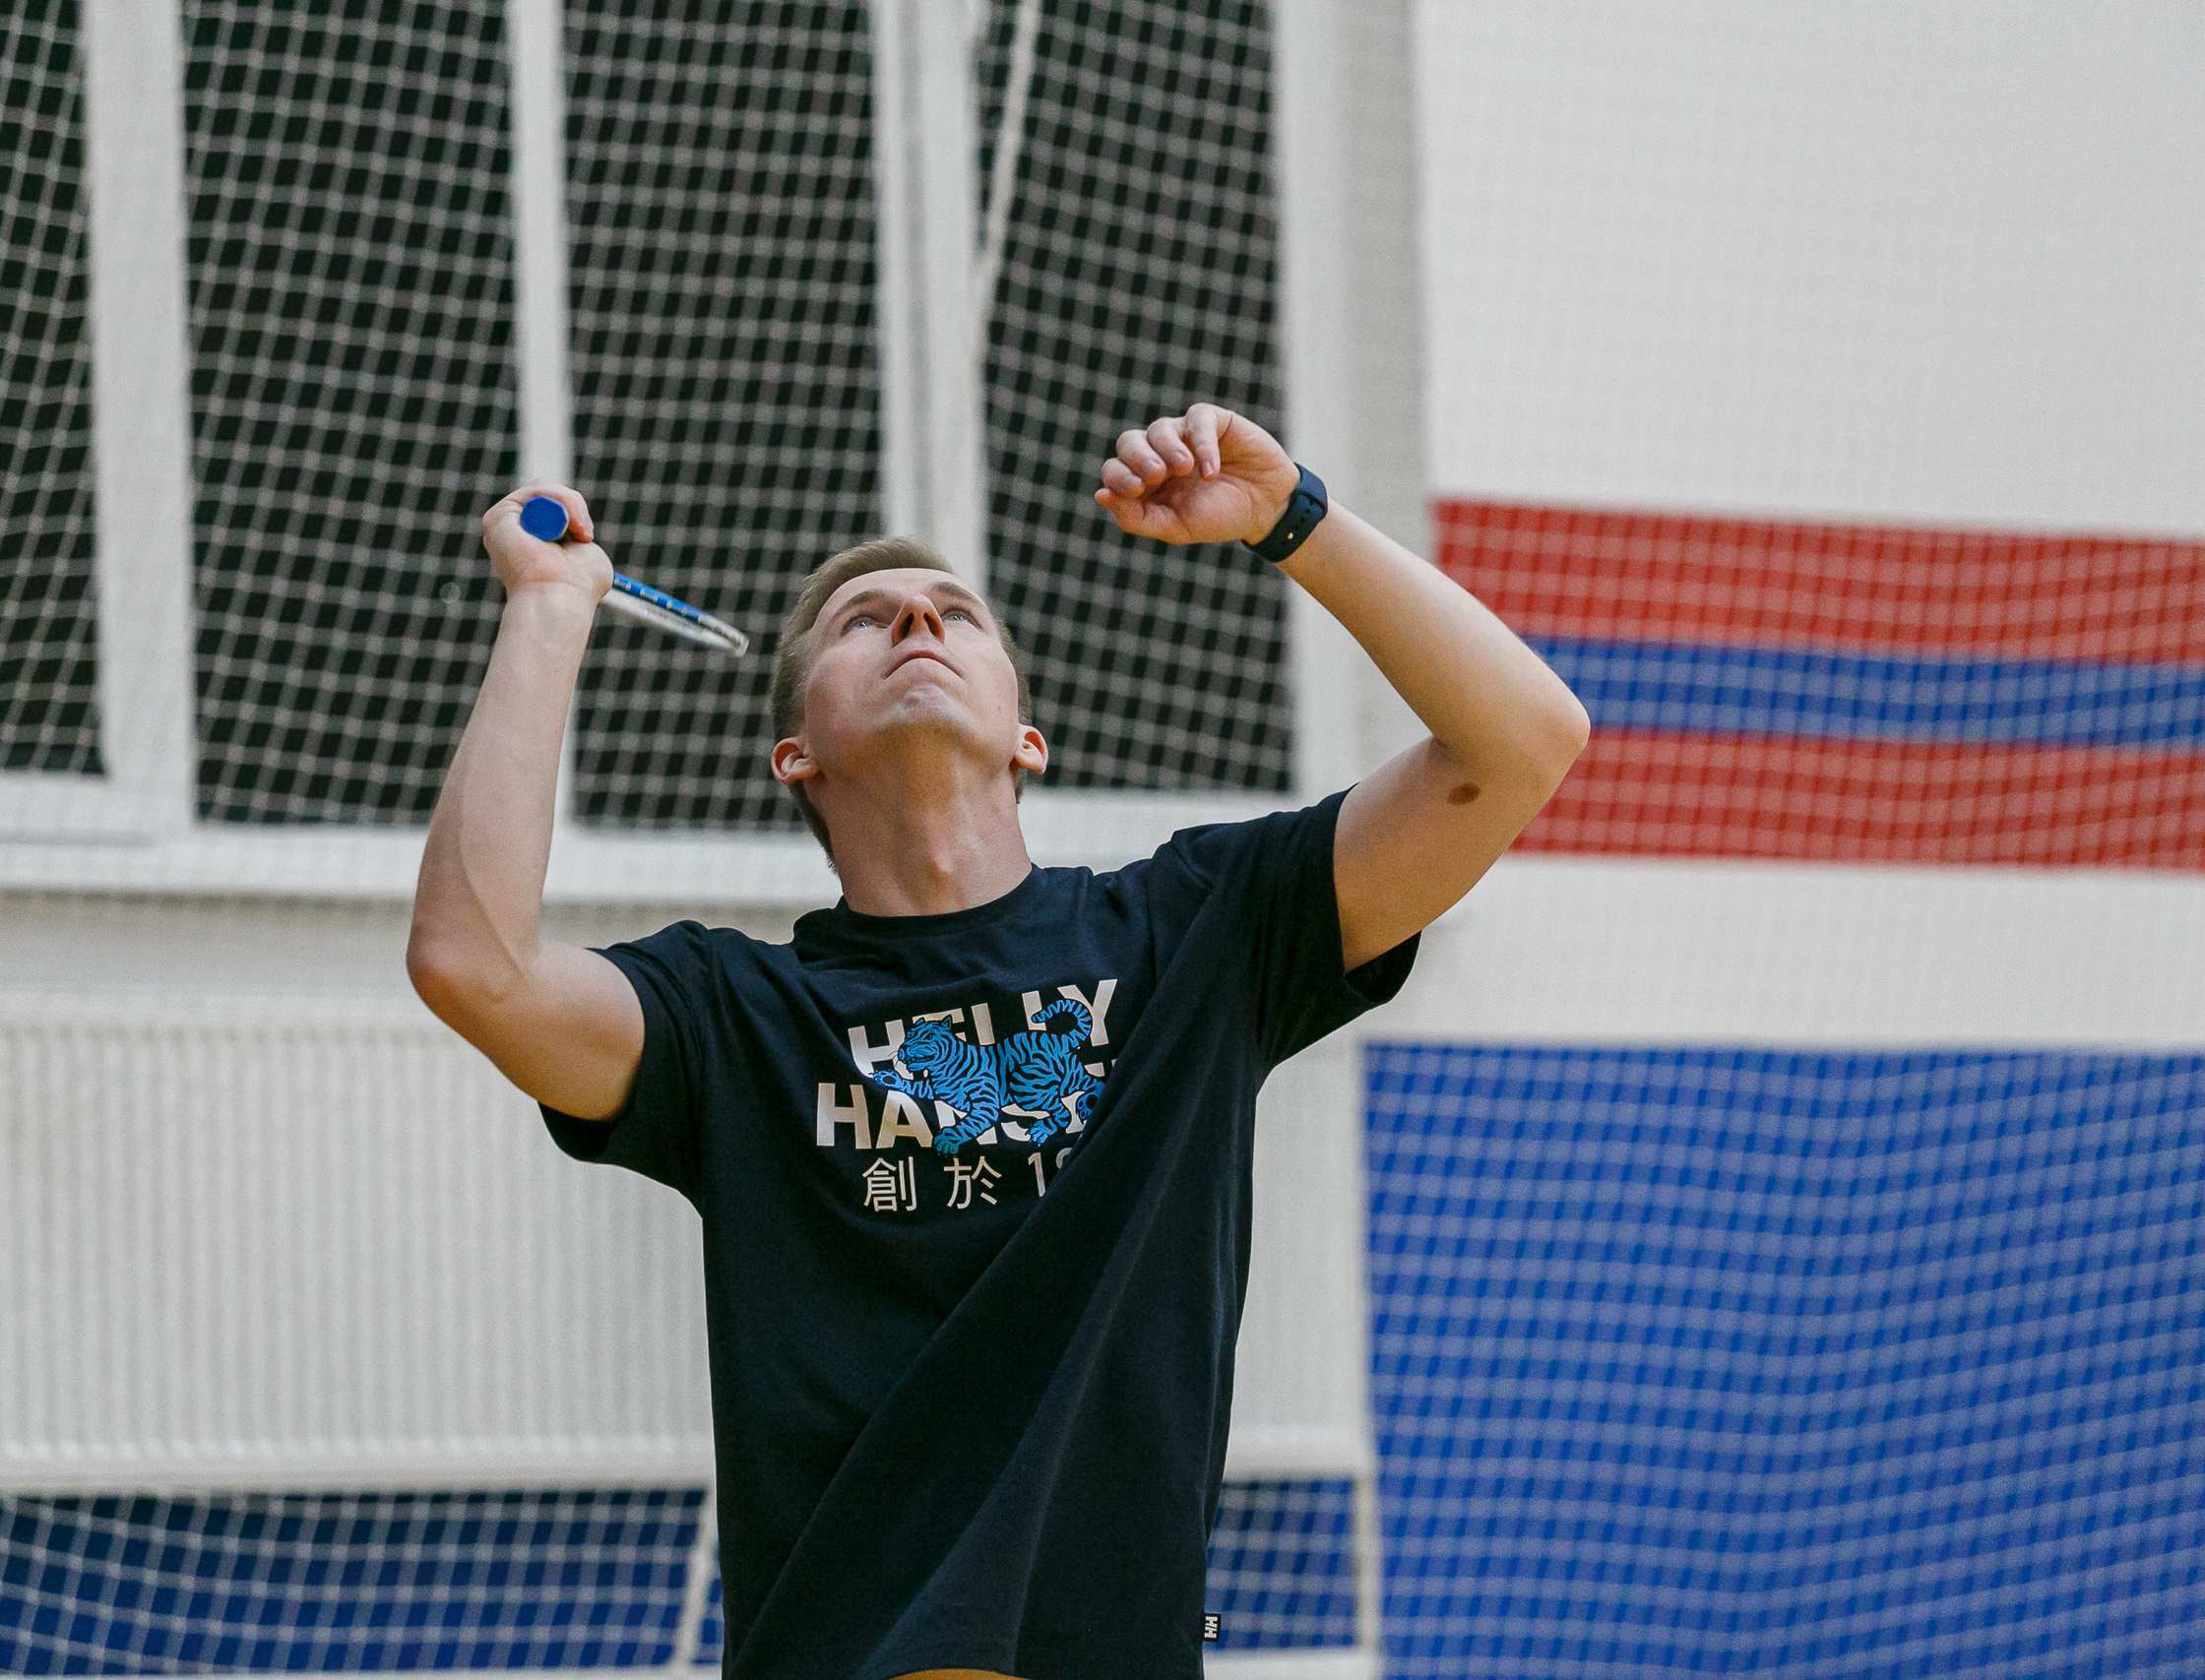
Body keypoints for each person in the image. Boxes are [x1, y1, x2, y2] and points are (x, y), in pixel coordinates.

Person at [408, 404, 1589, 1680]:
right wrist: (548, 605)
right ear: (793, 754)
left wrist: (1291, 515)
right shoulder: (727, 1017)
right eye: (865, 621)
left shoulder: (1197, 934)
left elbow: (1523, 741)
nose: (918, 620)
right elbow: (476, 965)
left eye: (958, 614)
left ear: (1030, 737)